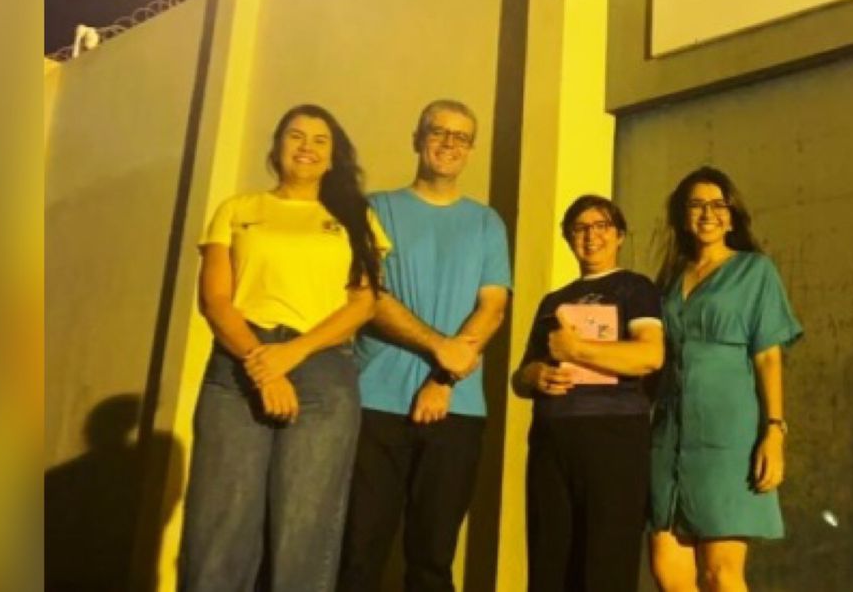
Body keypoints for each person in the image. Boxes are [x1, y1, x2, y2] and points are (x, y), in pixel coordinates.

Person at [179, 104, 389, 592]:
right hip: (238, 367)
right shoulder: (238, 210)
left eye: (319, 140)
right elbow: (215, 300)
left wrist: (292, 356)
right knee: (220, 522)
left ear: (333, 157)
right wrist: (264, 369)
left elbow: (363, 304)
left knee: (306, 527)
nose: (306, 147)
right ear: (276, 147)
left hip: (322, 369)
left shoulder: (354, 218)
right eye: (296, 136)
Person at [338, 100, 513, 592]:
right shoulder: (377, 210)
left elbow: (493, 306)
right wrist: (441, 348)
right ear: (418, 138)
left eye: (461, 137)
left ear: (471, 149)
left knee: (433, 560)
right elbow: (370, 298)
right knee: (359, 552)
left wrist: (444, 378)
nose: (449, 143)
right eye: (439, 132)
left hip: (457, 410)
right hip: (376, 404)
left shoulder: (486, 223)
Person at [648, 167, 803, 592]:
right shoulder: (668, 281)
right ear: (682, 216)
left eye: (718, 205)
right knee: (667, 570)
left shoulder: (755, 272)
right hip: (670, 437)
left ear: (732, 216)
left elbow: (768, 358)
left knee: (720, 573)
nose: (707, 214)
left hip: (727, 435)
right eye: (696, 205)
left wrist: (774, 431)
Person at [512, 195, 665, 592]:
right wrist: (537, 375)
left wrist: (578, 350)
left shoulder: (636, 288)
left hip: (613, 436)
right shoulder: (553, 301)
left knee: (605, 563)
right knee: (549, 562)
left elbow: (650, 355)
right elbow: (520, 376)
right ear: (568, 238)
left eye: (601, 227)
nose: (591, 236)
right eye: (580, 228)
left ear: (618, 236)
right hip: (551, 441)